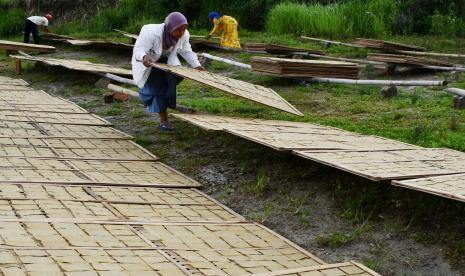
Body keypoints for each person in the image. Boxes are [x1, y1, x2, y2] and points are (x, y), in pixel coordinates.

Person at [132, 12, 205, 131]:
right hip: (149, 63)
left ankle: (162, 103)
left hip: (167, 63)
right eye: (179, 29)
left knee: (169, 85)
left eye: (184, 29)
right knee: (156, 90)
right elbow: (138, 50)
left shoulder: (184, 35)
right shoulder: (150, 32)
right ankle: (163, 120)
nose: (181, 33)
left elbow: (186, 50)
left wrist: (196, 65)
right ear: (170, 27)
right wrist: (144, 56)